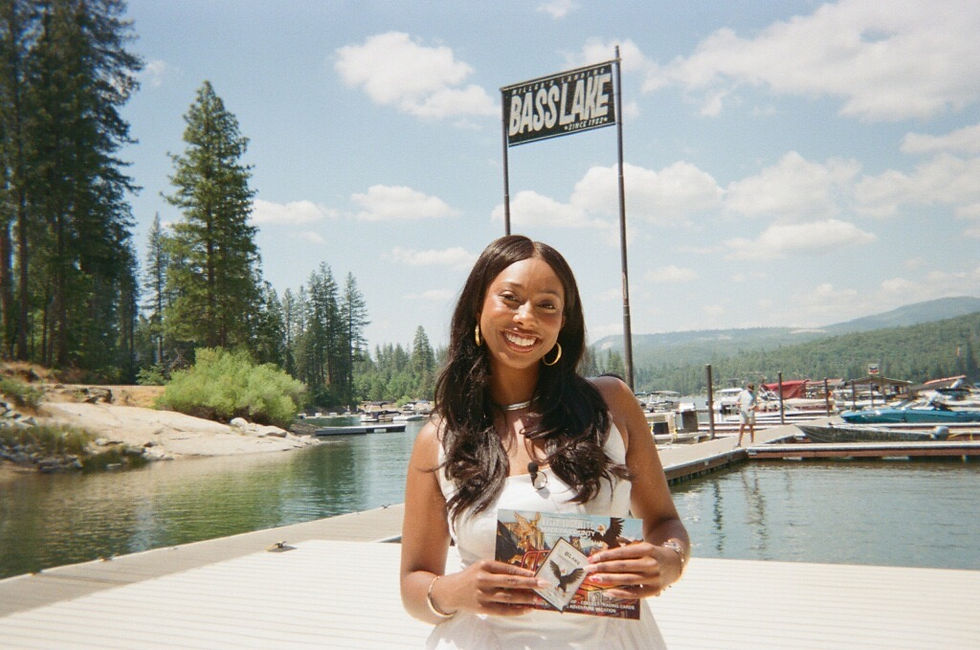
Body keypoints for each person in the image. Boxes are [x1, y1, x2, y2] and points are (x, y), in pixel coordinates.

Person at [400, 235, 689, 648]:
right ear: (477, 307)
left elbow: (665, 522)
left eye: (547, 305)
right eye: (510, 298)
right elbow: (413, 584)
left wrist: (668, 560)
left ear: (563, 322)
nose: (526, 317)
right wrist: (454, 590)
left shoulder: (611, 405)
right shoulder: (439, 440)